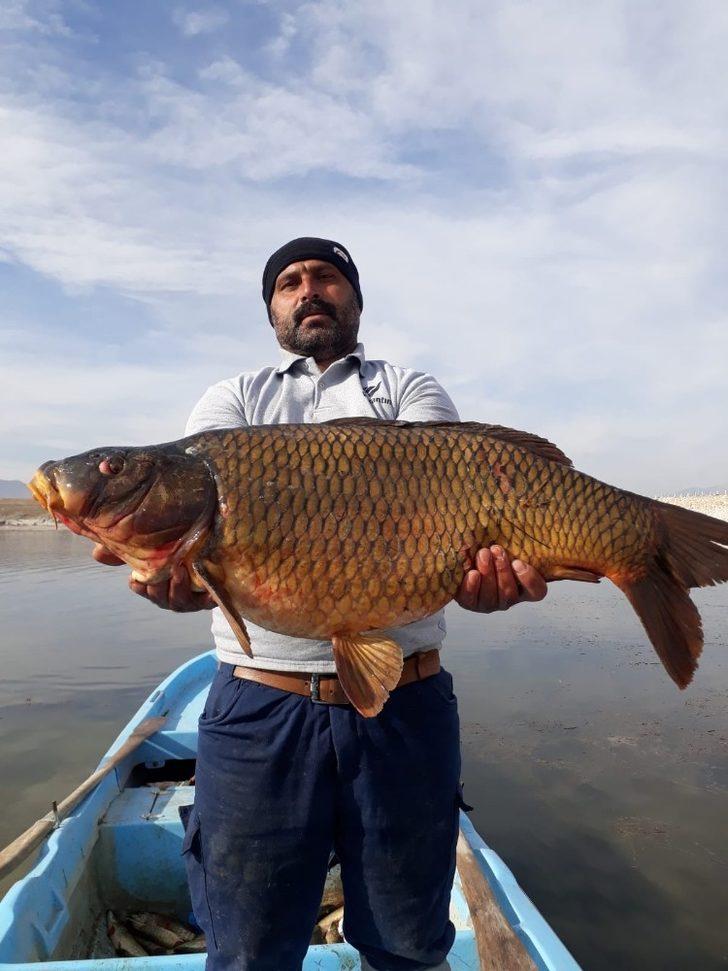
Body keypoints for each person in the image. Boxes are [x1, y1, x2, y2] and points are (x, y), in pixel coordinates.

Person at [94, 237, 547, 971]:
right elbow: (198, 572)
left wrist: (488, 587)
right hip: (258, 713)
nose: (309, 290)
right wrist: (174, 583)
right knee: (247, 950)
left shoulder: (409, 390)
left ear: (354, 300)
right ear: (272, 309)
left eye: (326, 277)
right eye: (289, 283)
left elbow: (461, 535)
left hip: (405, 699)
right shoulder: (231, 403)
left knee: (407, 945)